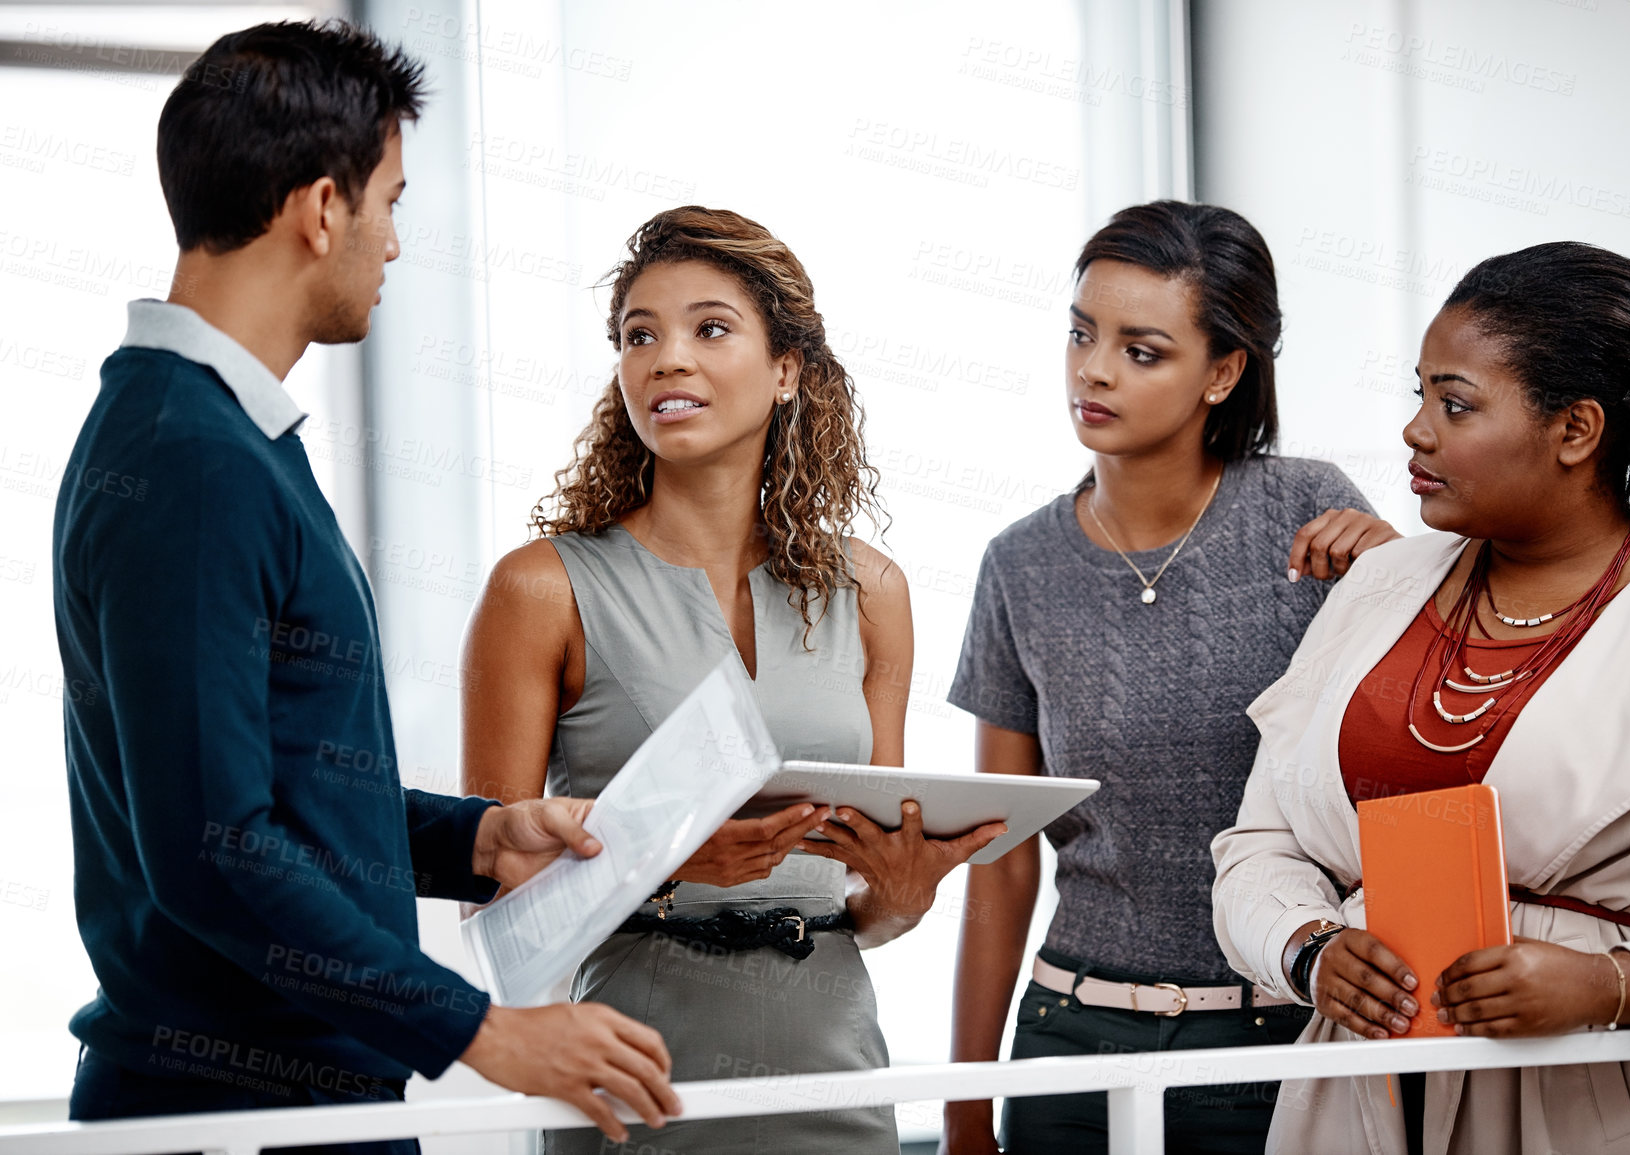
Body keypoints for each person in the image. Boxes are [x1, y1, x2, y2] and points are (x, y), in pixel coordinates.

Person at [51, 22, 680, 1152]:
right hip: (231, 1114)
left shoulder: (208, 434)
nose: (394, 242)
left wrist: (479, 841)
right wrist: (481, 1030)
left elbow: (263, 790)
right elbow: (215, 849)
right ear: (322, 207)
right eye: (390, 200)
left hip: (284, 1102)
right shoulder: (193, 459)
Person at [460, 204, 1004, 1155]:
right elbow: (490, 896)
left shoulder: (871, 591)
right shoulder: (540, 587)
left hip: (834, 1059)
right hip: (631, 1069)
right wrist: (670, 855)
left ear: (787, 369)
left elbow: (864, 903)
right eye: (639, 335)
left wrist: (904, 894)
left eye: (709, 327)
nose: (666, 357)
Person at [1212, 241, 1630, 1153]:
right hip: (1359, 1094)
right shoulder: (1379, 585)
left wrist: (1612, 980)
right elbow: (1259, 843)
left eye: (1453, 404)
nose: (1416, 430)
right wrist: (1309, 948)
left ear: (1575, 430)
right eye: (1418, 395)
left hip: (1590, 1090)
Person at [939, 200, 1399, 1155]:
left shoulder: (1311, 513)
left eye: (1141, 350)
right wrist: (964, 1102)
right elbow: (1002, 848)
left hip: (1275, 1036)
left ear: (1223, 372)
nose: (1092, 369)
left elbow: (1415, 766)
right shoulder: (1019, 563)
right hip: (1066, 1042)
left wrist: (1404, 579)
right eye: (1080, 333)